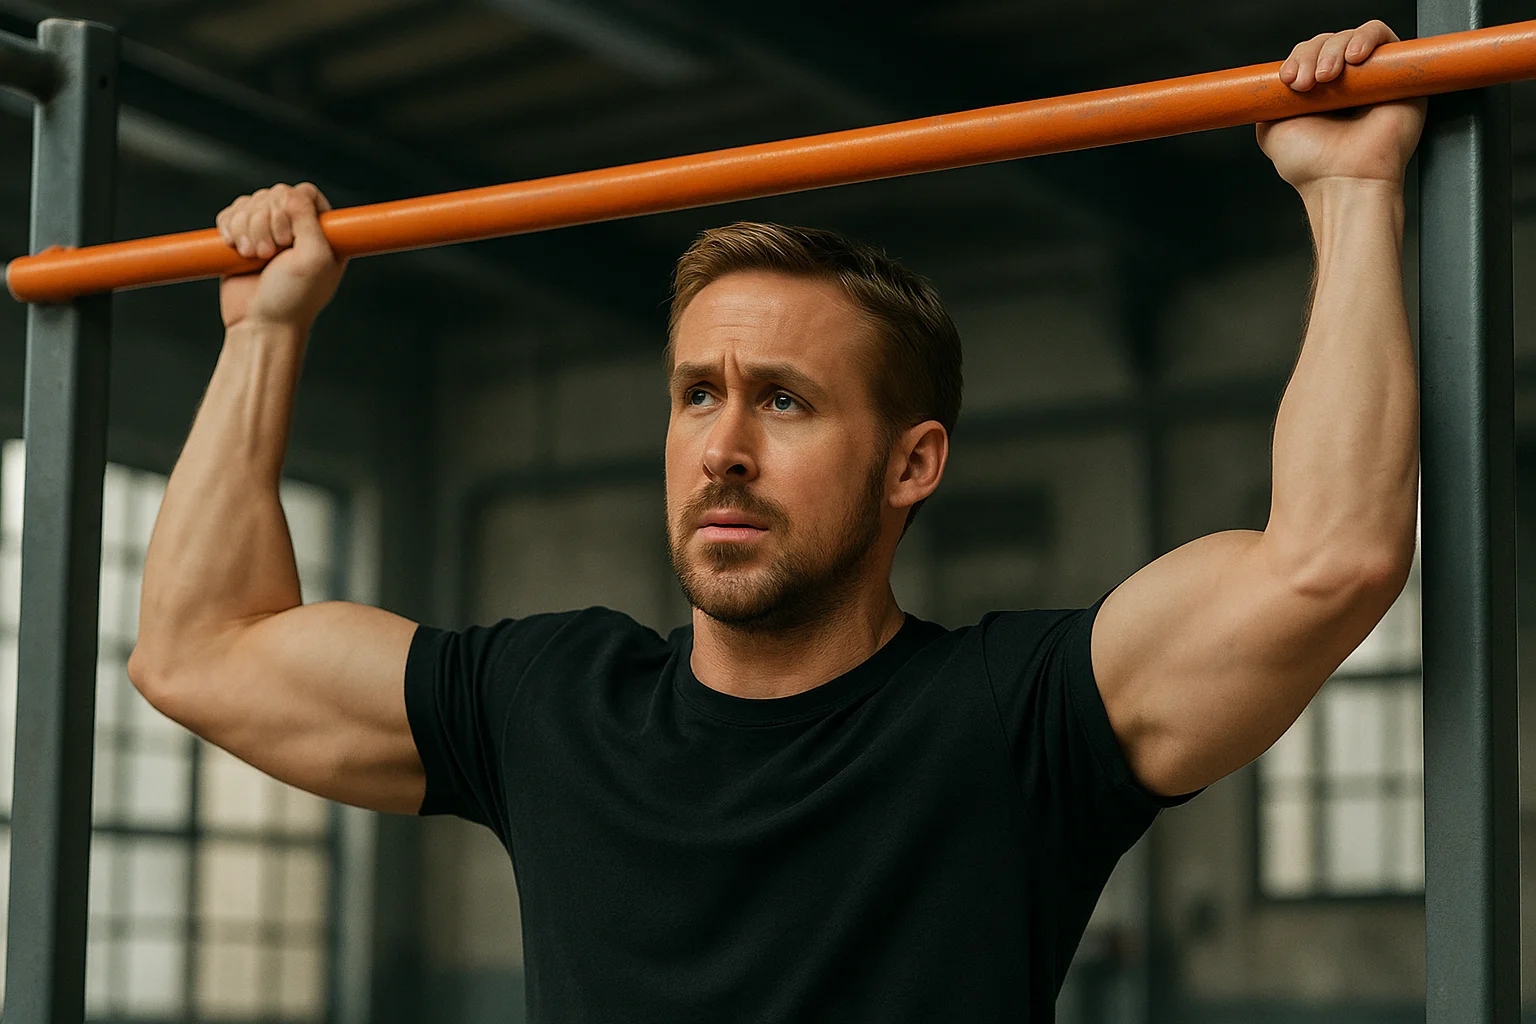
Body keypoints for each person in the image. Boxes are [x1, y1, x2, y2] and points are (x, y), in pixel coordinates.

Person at [128, 20, 1424, 1023]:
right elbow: (200, 648)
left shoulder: (1016, 719)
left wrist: (1348, 191)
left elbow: (1329, 559)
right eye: (698, 395)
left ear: (914, 465)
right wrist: (266, 332)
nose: (725, 450)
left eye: (787, 402)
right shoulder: (548, 700)